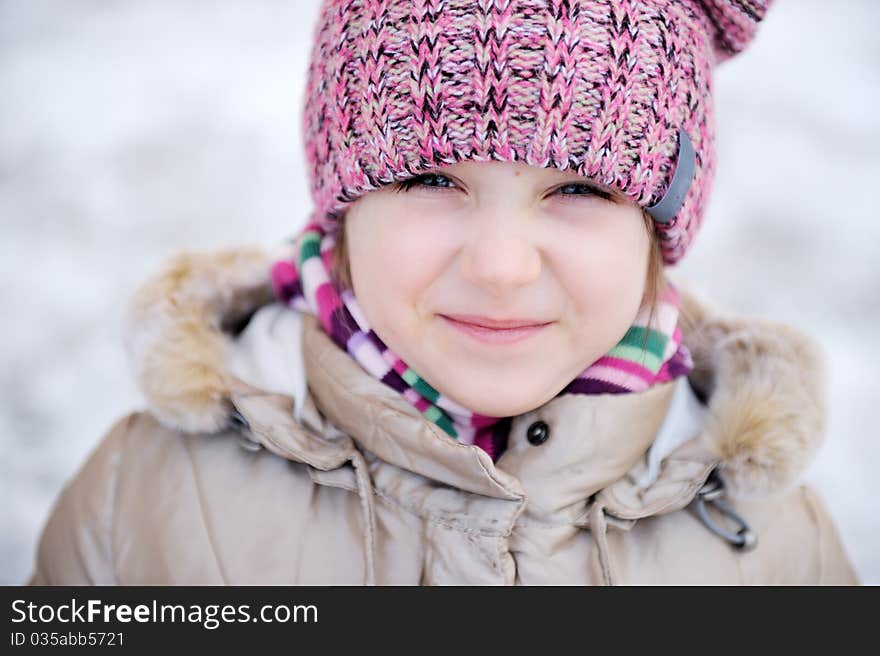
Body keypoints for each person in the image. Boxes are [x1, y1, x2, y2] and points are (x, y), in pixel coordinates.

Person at [29, 0, 858, 585]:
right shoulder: (139, 501)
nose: (501, 266)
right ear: (344, 208)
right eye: (430, 177)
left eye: (579, 190)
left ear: (657, 225)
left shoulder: (779, 551)